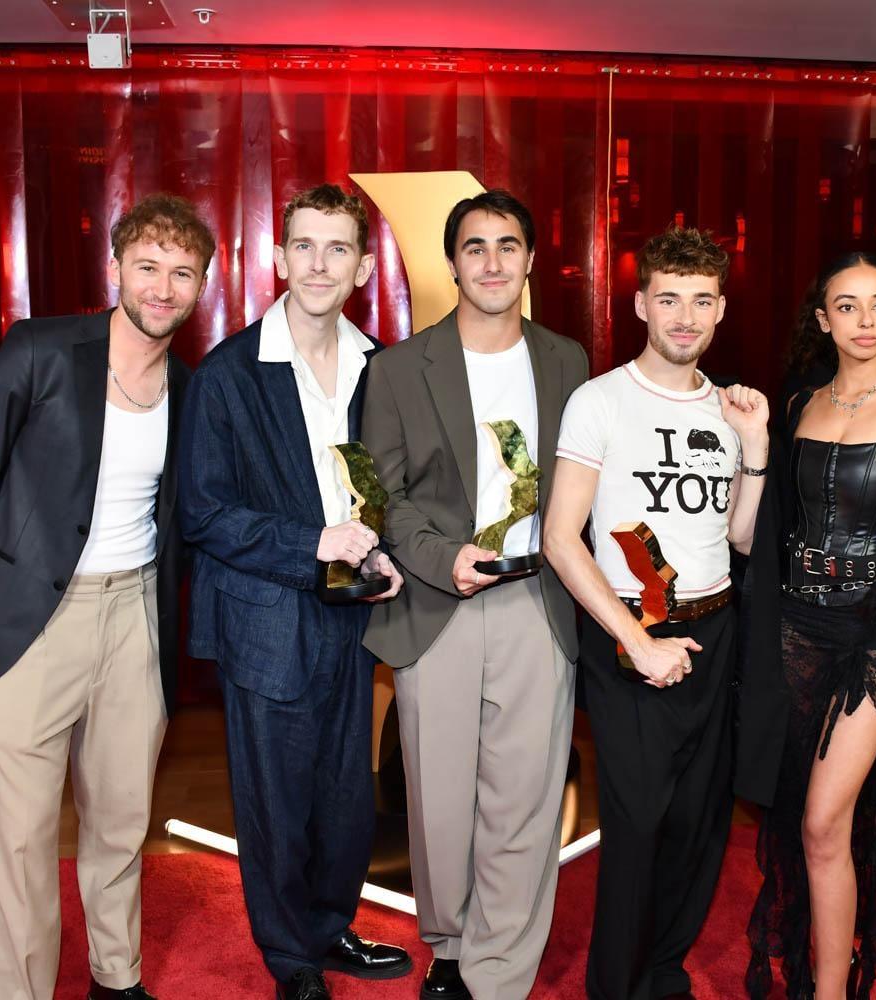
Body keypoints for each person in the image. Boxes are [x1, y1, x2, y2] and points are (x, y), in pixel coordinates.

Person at [0, 193, 210, 1000]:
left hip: (135, 618)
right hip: (33, 621)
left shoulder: (189, 388)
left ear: (200, 287)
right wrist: (3, 586)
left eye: (183, 273)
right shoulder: (42, 351)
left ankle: (115, 978)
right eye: (149, 266)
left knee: (121, 820)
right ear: (115, 268)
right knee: (22, 837)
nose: (163, 287)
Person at [177, 184, 411, 1000]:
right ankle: (290, 958)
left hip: (355, 609)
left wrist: (387, 556)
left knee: (345, 794)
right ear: (278, 258)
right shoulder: (228, 374)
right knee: (276, 800)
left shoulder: (381, 365)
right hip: (267, 616)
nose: (318, 264)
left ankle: (330, 926)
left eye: (337, 248)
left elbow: (388, 485)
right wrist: (311, 543)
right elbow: (204, 512)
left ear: (363, 267)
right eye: (304, 246)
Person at [360, 190, 589, 1000]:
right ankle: (450, 944)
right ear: (452, 263)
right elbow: (383, 494)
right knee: (440, 800)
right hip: (438, 604)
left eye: (508, 245)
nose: (492, 263)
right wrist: (439, 557)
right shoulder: (397, 368)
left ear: (530, 260)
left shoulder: (567, 360)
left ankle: (498, 973)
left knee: (524, 799)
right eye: (475, 247)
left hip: (537, 601)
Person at [545, 226, 777, 1000]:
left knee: (699, 822)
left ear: (720, 310)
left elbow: (742, 537)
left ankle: (665, 972)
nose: (685, 316)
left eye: (702, 300)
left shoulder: (731, 407)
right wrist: (638, 642)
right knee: (638, 821)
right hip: (630, 629)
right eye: (669, 298)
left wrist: (755, 447)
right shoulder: (600, 400)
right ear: (641, 304)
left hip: (715, 628)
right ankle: (616, 986)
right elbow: (560, 539)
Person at [746, 251, 876, 1000]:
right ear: (823, 319)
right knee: (802, 823)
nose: (866, 320)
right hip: (794, 631)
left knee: (821, 820)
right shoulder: (801, 405)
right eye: (848, 306)